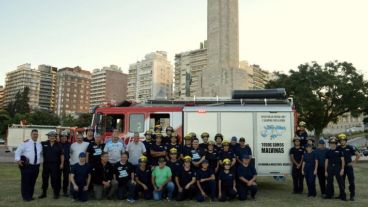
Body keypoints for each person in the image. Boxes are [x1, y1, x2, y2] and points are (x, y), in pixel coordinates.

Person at [15, 129, 43, 202]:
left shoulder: (39, 144)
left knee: (32, 181)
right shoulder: (25, 143)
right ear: (31, 135)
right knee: (25, 181)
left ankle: (30, 196)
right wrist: (18, 160)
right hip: (27, 166)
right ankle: (25, 197)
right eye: (34, 134)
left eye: (36, 134)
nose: (35, 135)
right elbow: (18, 151)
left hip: (36, 166)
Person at [39, 130, 64, 199]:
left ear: (55, 137)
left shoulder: (59, 145)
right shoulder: (43, 143)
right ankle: (44, 193)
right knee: (45, 179)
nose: (52, 137)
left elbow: (62, 155)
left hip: (55, 165)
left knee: (55, 179)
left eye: (53, 136)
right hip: (46, 164)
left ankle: (56, 193)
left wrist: (62, 163)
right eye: (50, 136)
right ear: (48, 137)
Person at [337, 133, 360, 201]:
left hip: (348, 167)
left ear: (346, 141)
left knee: (351, 182)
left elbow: (358, 155)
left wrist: (353, 162)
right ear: (339, 141)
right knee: (341, 182)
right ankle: (342, 194)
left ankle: (352, 195)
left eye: (343, 140)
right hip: (341, 167)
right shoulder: (338, 148)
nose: (342, 141)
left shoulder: (350, 147)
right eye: (341, 140)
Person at [59, 131, 71, 197]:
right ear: (60, 137)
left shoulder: (70, 144)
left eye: (65, 136)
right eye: (62, 136)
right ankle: (57, 190)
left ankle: (65, 191)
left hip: (67, 163)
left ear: (67, 137)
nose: (64, 137)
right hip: (58, 162)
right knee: (58, 177)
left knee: (66, 178)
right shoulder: (57, 144)